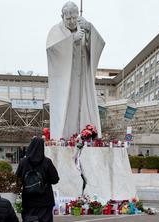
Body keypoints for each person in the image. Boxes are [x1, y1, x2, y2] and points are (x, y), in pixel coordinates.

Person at [46, 1, 105, 139]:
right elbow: (52, 51)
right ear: (62, 17)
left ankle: (86, 134)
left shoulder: (83, 26)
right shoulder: (56, 31)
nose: (72, 21)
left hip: (83, 77)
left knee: (84, 103)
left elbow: (99, 44)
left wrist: (90, 29)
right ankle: (66, 136)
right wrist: (72, 39)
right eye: (68, 19)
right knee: (69, 106)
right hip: (67, 79)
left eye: (74, 17)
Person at [15, 137, 60, 222]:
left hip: (28, 197)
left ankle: (29, 220)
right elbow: (55, 179)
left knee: (29, 210)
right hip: (44, 197)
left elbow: (17, 177)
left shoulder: (23, 162)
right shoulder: (47, 162)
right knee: (44, 213)